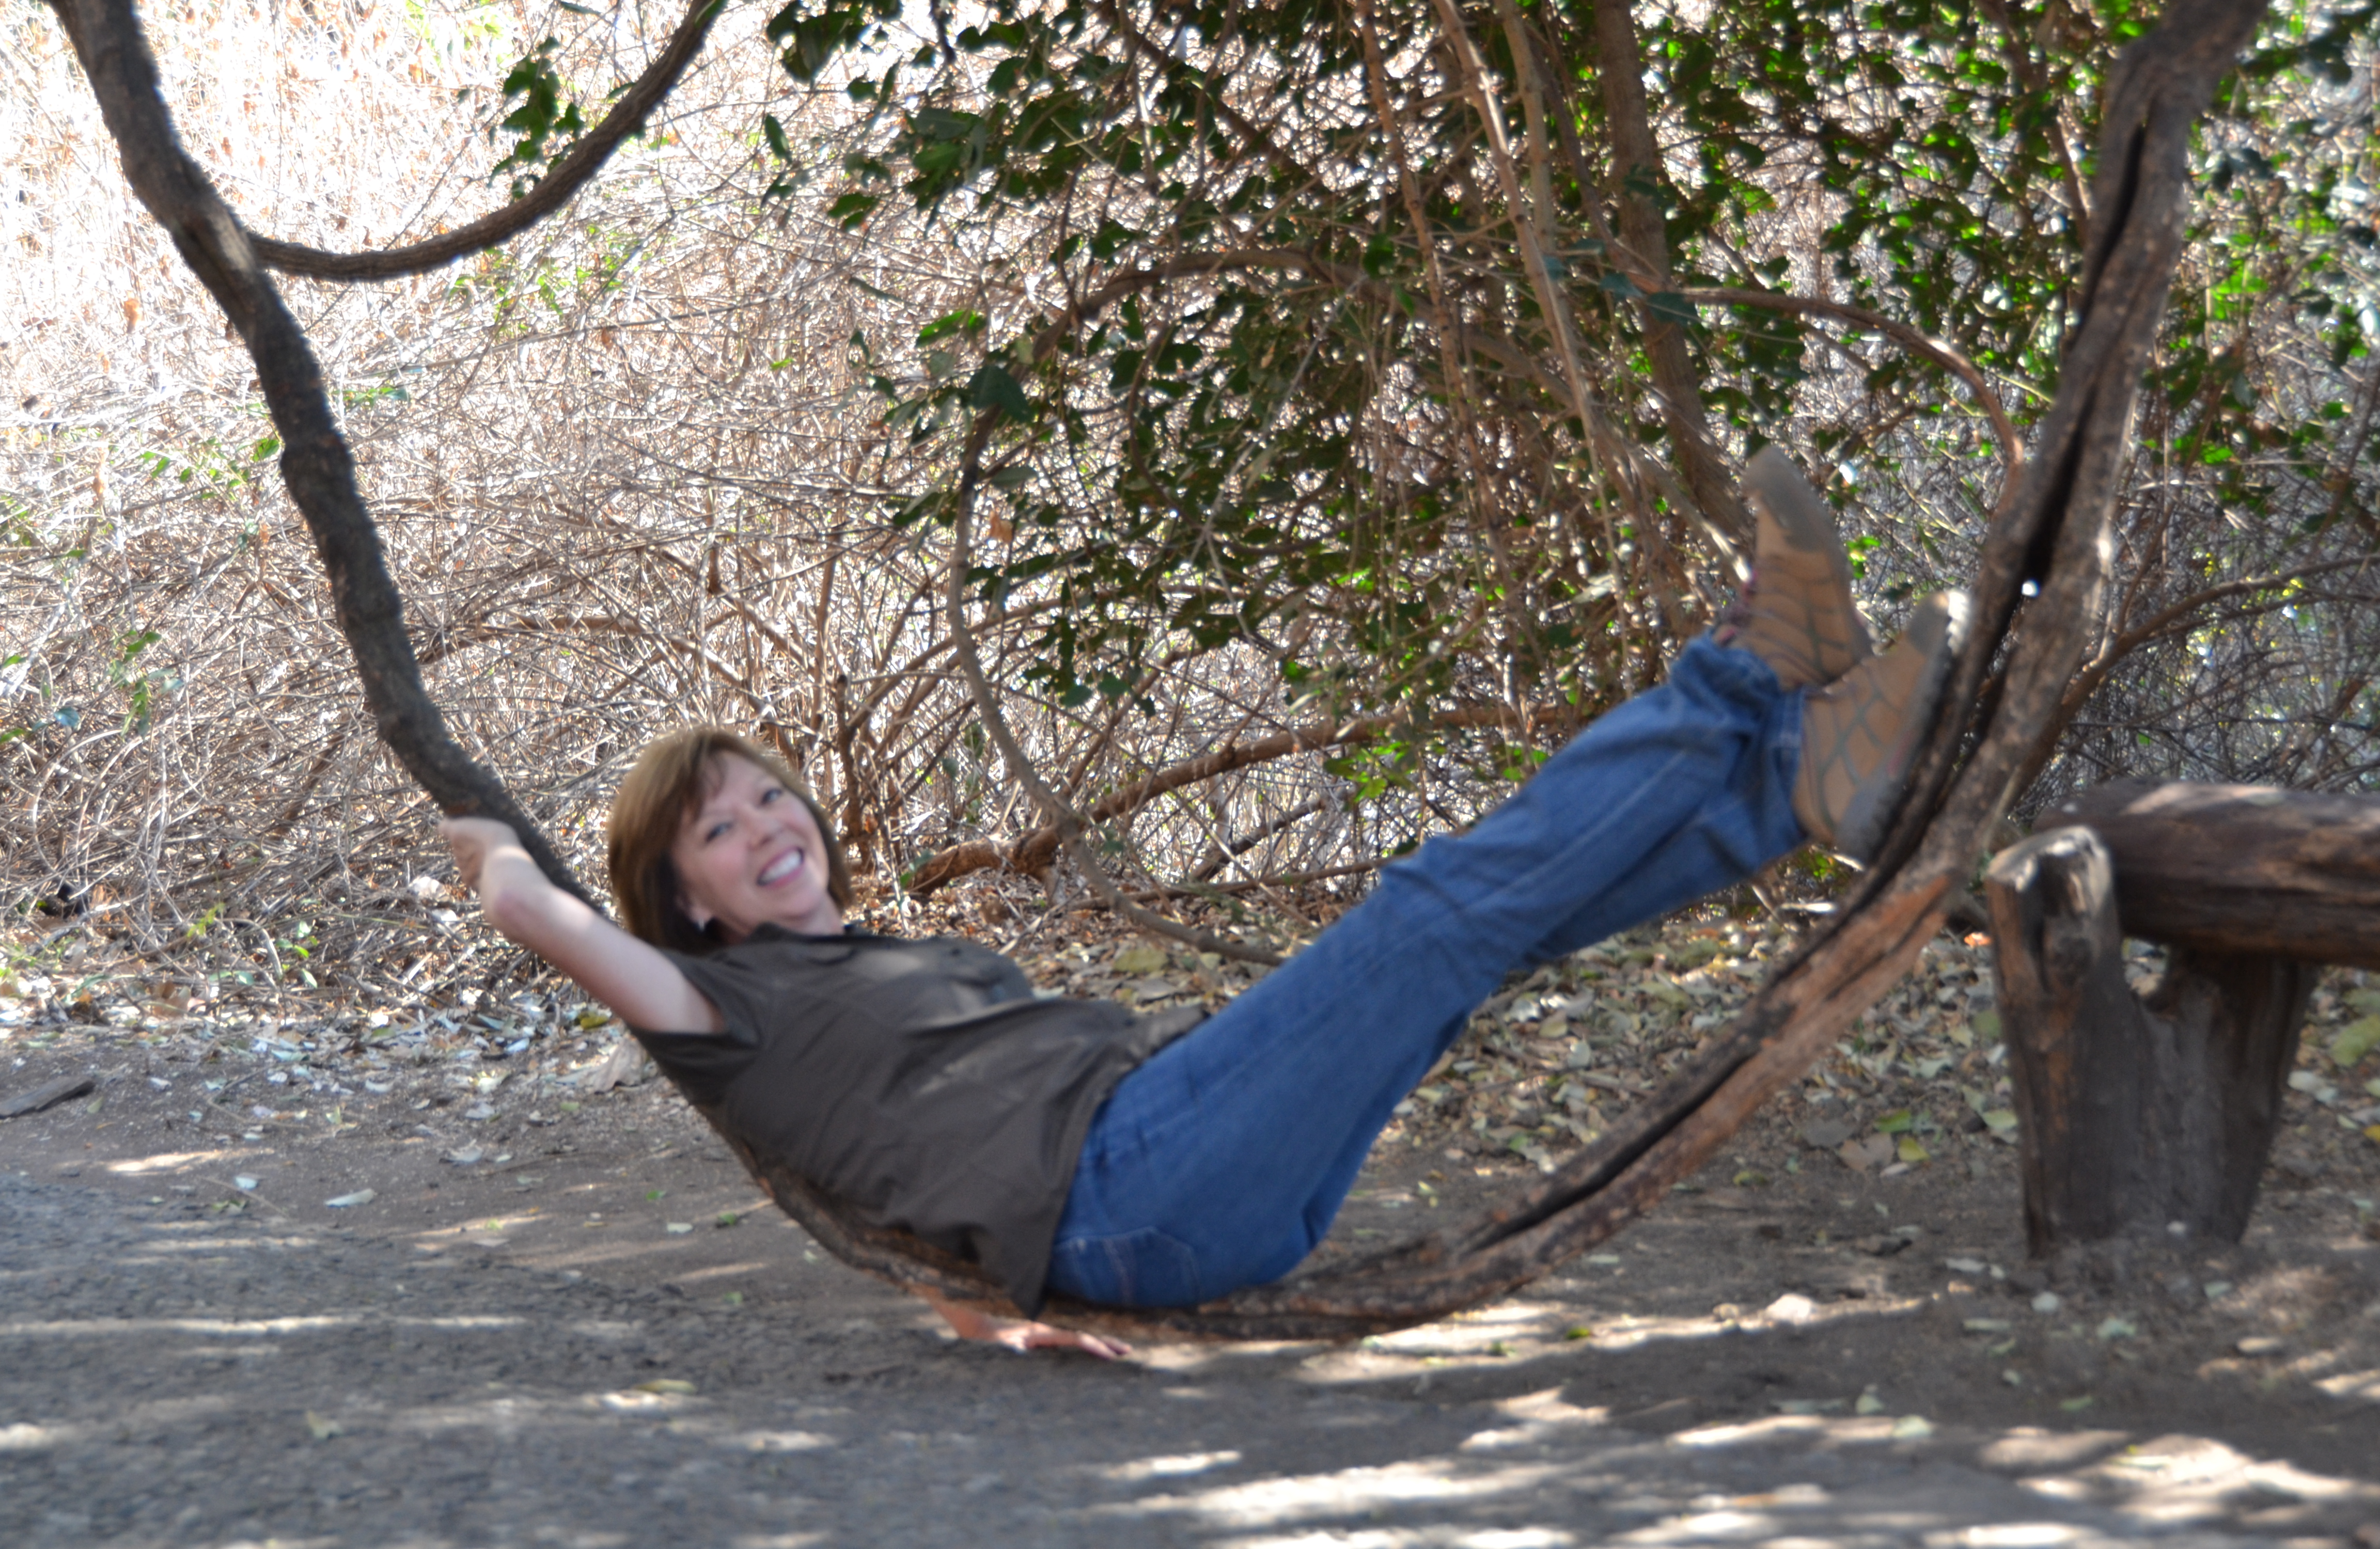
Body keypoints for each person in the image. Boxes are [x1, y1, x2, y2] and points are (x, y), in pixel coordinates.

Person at [440, 448, 1968, 1359]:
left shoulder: (899, 961)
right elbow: (540, 914)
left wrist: (1024, 1324)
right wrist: (482, 838)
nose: (766, 827)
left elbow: (933, 1199)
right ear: (686, 901)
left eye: (770, 794)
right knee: (1433, 909)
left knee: (1478, 936)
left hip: (1169, 1168)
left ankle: (1790, 788)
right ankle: (1752, 673)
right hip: (1142, 1186)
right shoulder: (720, 1009)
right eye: (718, 831)